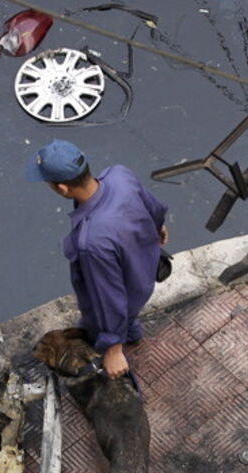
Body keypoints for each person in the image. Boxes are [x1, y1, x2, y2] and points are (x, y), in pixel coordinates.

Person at [25, 139, 169, 379]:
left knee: (103, 325)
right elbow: (152, 206)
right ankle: (132, 335)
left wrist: (113, 348)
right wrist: (159, 227)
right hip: (145, 274)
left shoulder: (91, 242)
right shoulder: (120, 175)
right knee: (129, 317)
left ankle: (120, 345)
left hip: (125, 294)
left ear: (62, 188)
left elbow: (108, 298)